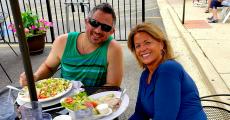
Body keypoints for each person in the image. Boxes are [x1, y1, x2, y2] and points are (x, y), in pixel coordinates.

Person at [19, 3, 123, 87]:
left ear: (111, 32)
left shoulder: (113, 49)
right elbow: (49, 67)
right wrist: (36, 77)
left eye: (105, 27)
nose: (98, 30)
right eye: (94, 23)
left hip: (96, 102)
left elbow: (112, 85)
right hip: (63, 101)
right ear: (86, 22)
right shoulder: (62, 42)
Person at [127, 23, 207, 120]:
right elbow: (140, 114)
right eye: (138, 46)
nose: (142, 49)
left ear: (161, 44)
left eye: (147, 43)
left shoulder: (168, 69)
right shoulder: (145, 75)